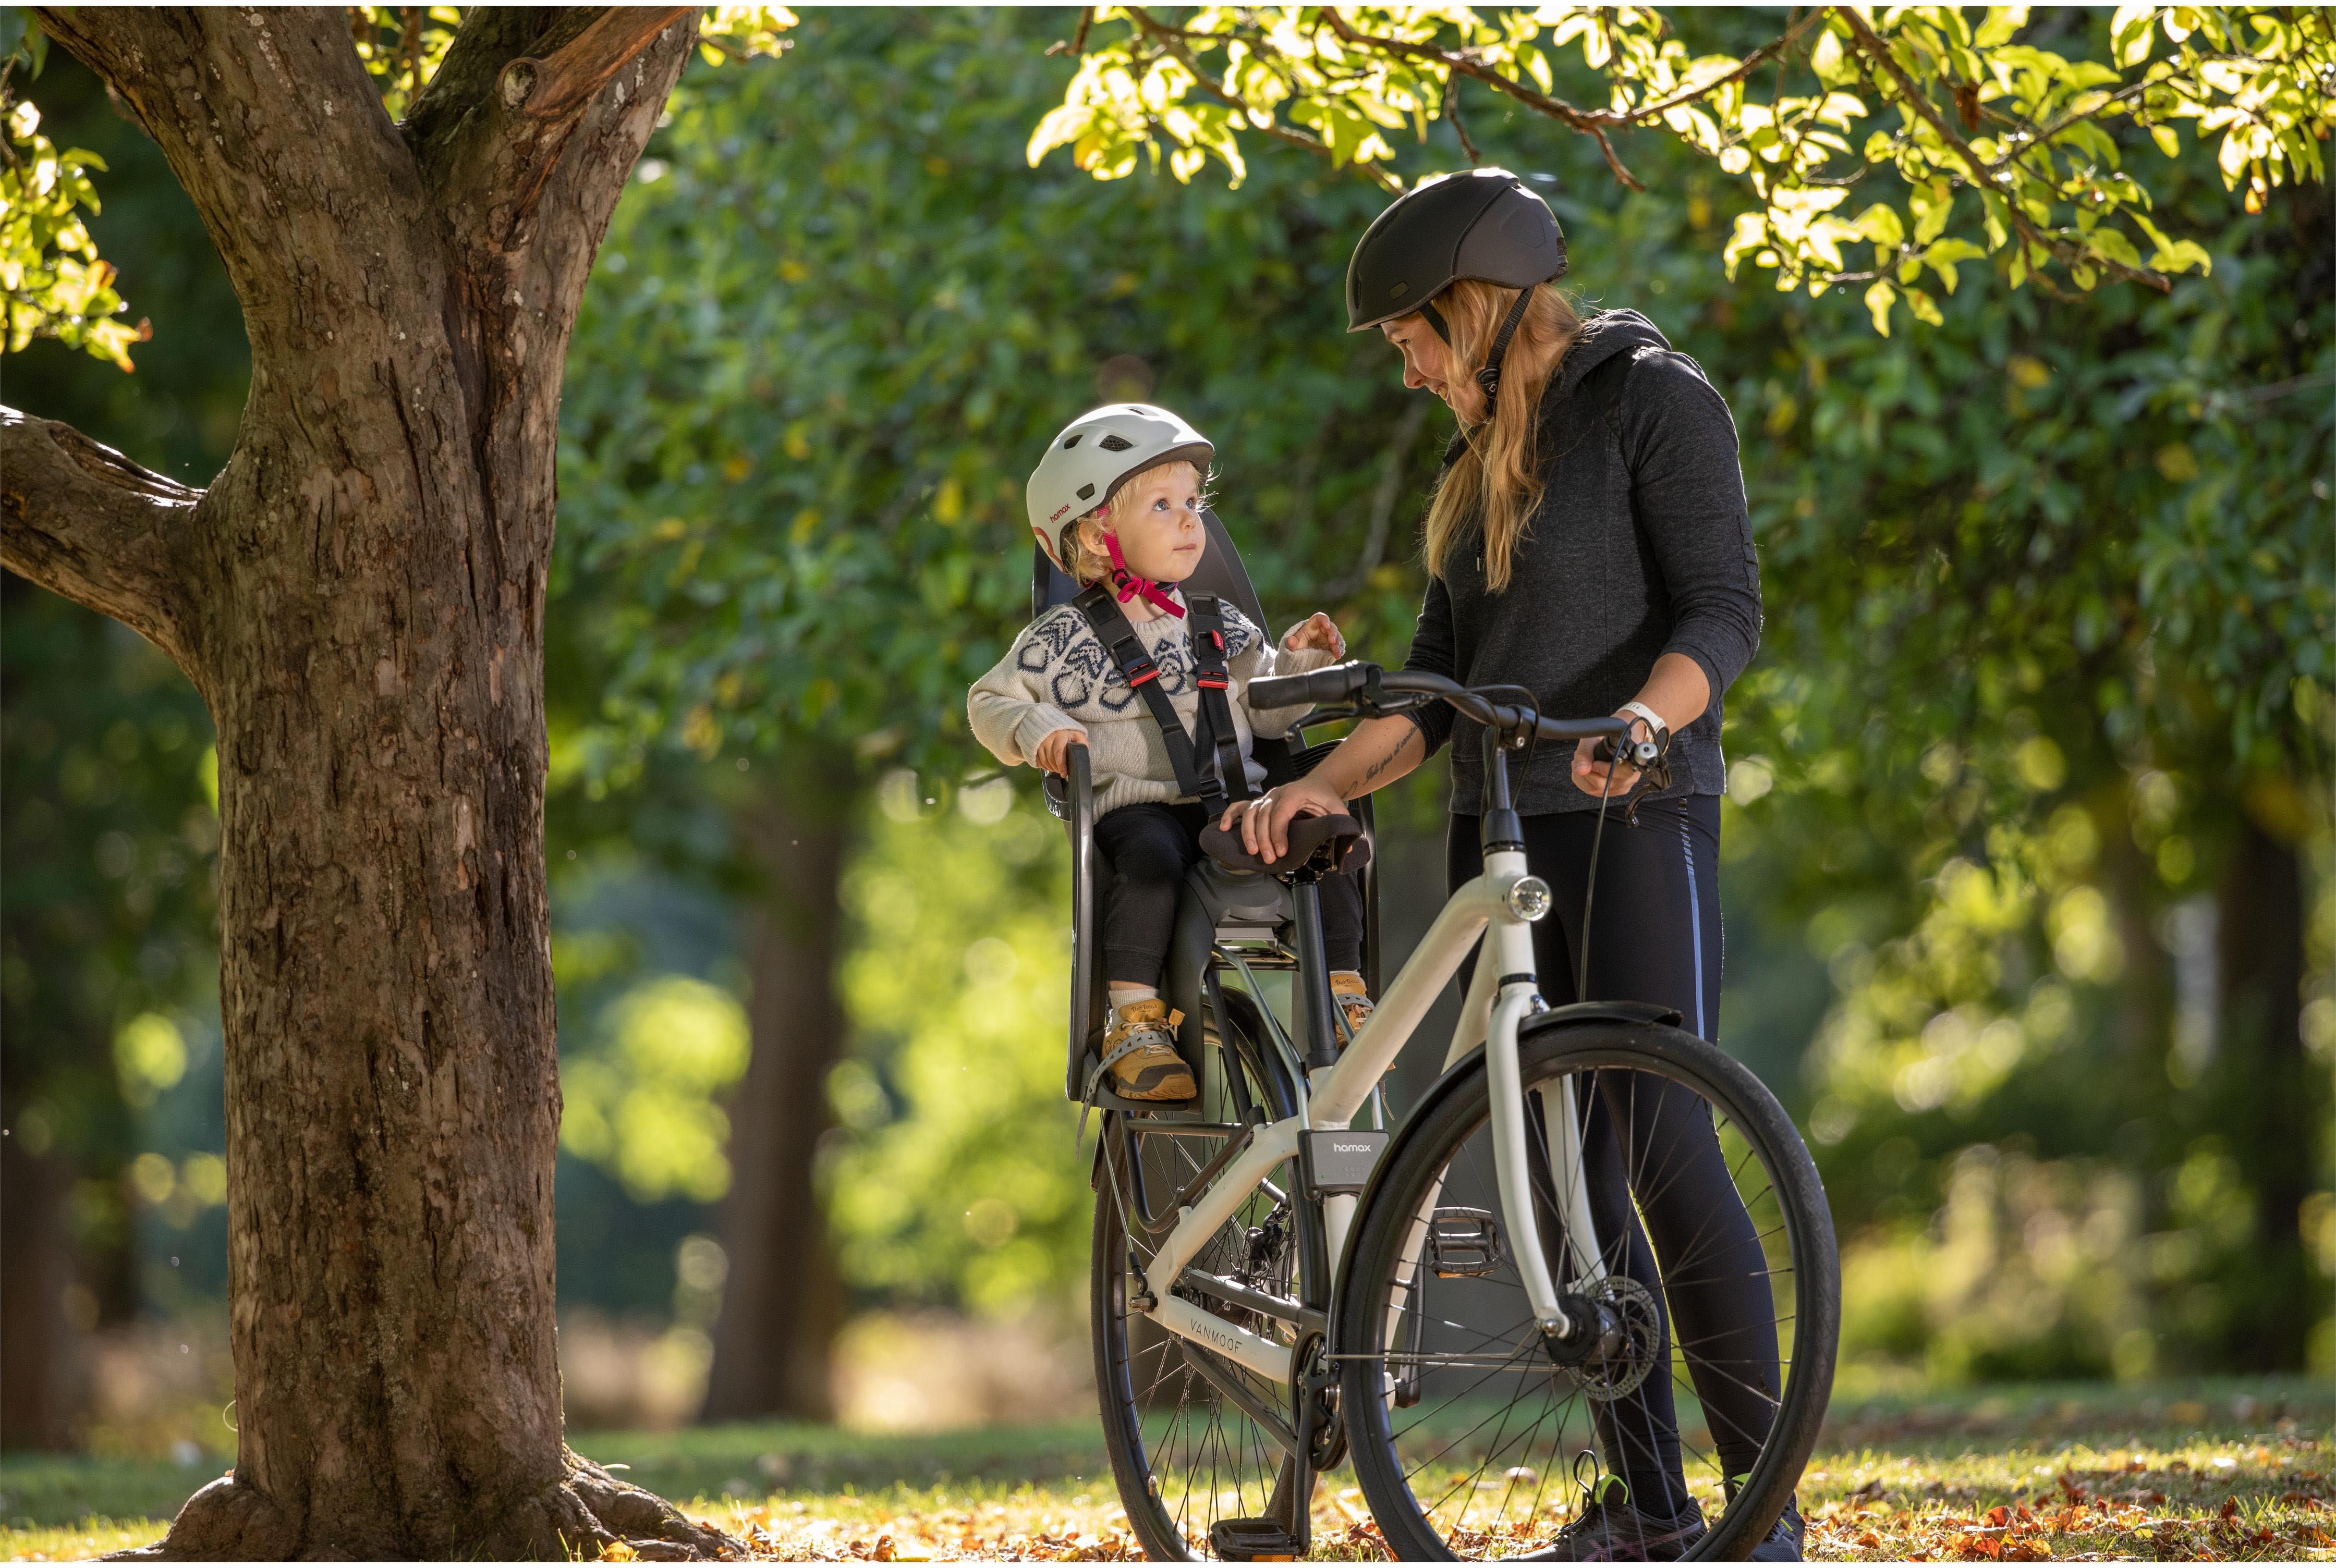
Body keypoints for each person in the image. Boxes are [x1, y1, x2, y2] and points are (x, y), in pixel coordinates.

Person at [1224, 168, 1799, 1561]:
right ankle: (1653, 1518)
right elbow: (1431, 690)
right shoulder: (1475, 466)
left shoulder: (1657, 400)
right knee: (1559, 1182)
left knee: (1661, 1141)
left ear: (1471, 305)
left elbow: (1724, 614)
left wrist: (1640, 724)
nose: (1409, 371)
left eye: (1414, 339)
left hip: (1637, 809)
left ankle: (1765, 1518)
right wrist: (1315, 783)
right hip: (1507, 835)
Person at [969, 404, 1368, 1102]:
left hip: (1236, 804)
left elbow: (1271, 712)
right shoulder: (1063, 639)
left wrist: (1297, 663)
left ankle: (1343, 990)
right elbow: (989, 701)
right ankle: (1134, 1020)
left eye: (1194, 502)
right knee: (1150, 864)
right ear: (1098, 535)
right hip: (1140, 807)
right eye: (1164, 505)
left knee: (1322, 833)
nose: (1193, 520)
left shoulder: (1222, 624)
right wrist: (1043, 732)